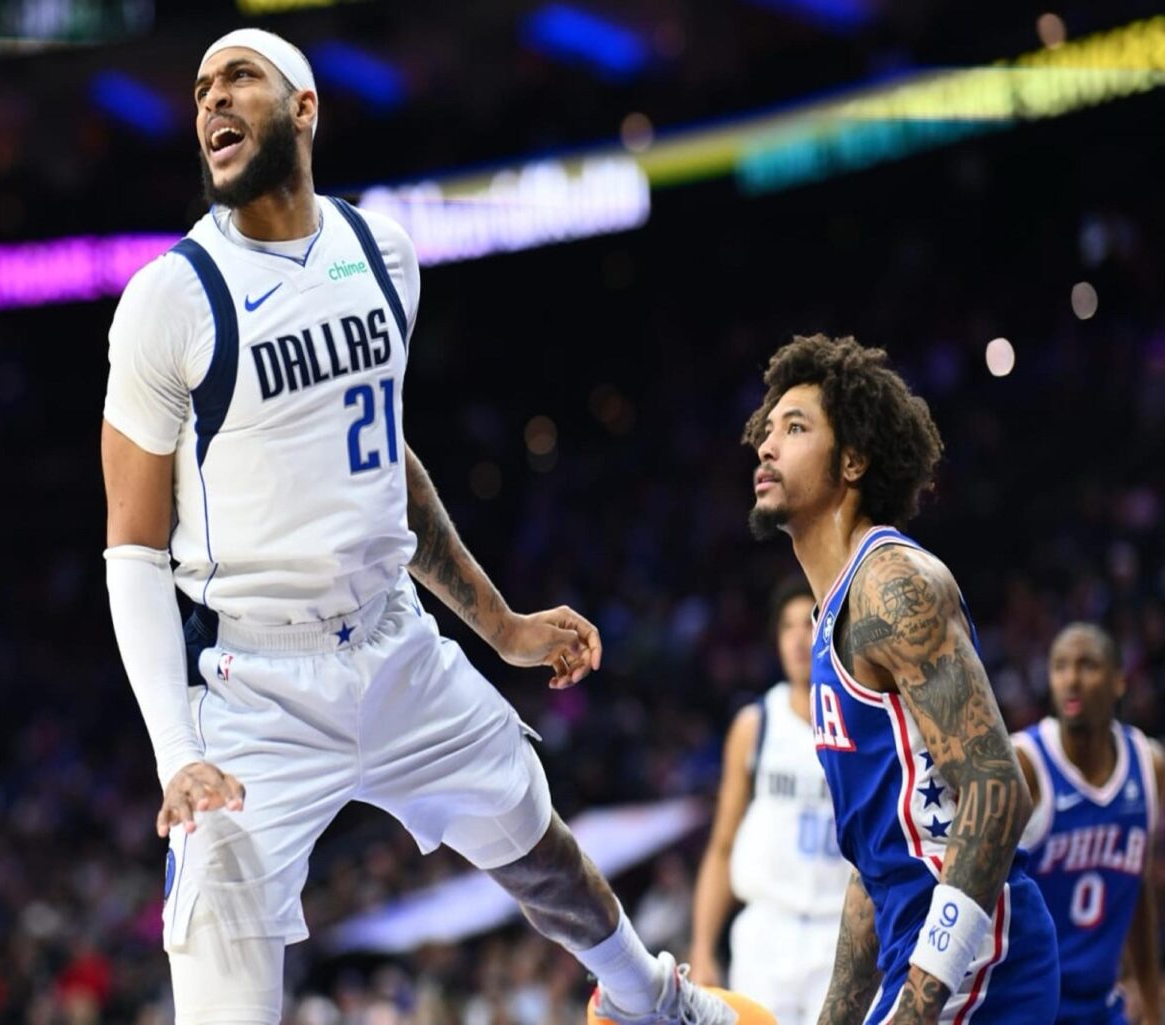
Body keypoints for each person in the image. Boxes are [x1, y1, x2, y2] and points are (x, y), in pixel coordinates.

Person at [100, 26, 769, 1025]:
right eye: (199, 90)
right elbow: (131, 546)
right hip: (250, 694)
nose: (211, 103)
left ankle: (651, 1000)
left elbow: (385, 465)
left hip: (391, 642)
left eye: (237, 78)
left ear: (304, 107)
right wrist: (171, 753)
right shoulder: (169, 299)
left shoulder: (383, 253)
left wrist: (499, 624)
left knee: (534, 839)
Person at [744, 334, 1059, 1024]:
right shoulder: (833, 620)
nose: (767, 446)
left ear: (853, 458)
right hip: (923, 954)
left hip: (980, 962)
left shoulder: (890, 584)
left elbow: (998, 792)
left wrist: (918, 1003)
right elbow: (875, 865)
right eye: (766, 430)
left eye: (795, 428)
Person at [690, 576, 851, 1024]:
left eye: (811, 624)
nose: (800, 639)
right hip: (766, 930)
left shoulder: (862, 724)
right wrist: (702, 948)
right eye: (787, 627)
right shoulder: (755, 725)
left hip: (838, 936)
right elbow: (723, 845)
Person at [1012, 623, 1162, 1025]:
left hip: (1100, 1003)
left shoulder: (1149, 767)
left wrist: (1150, 996)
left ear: (1119, 682)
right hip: (1029, 1002)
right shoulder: (1023, 763)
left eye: (1088, 666)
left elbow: (1137, 887)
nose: (1072, 680)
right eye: (1060, 666)